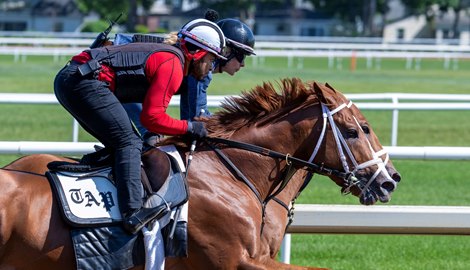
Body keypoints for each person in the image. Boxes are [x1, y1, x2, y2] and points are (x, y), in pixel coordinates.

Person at [53, 18, 227, 234]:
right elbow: (151, 118)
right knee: (129, 142)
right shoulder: (172, 64)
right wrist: (189, 128)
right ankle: (132, 214)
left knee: (122, 144)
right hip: (82, 82)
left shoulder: (171, 59)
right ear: (198, 53)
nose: (212, 66)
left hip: (75, 79)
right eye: (212, 59)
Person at [124, 18, 256, 143]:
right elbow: (197, 118)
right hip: (119, 75)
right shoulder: (200, 67)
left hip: (122, 69)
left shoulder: (197, 61)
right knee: (151, 134)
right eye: (241, 56)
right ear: (226, 51)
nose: (243, 64)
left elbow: (190, 119)